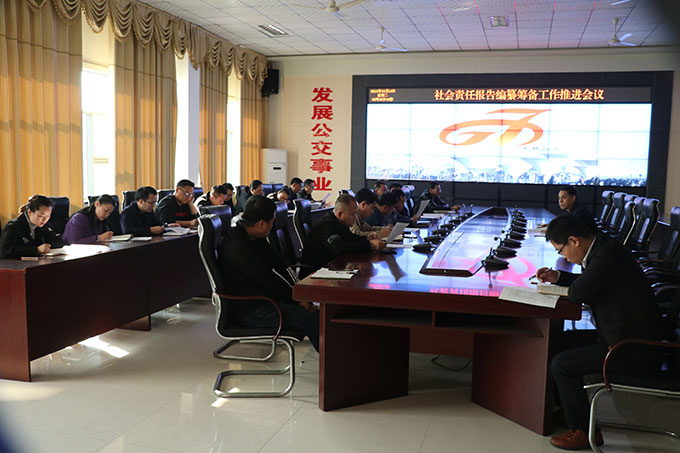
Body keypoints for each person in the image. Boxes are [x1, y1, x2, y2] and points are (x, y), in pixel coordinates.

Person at [535, 215, 663, 450]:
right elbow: (588, 281)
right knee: (558, 342)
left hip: (632, 349)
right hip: (621, 336)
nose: (563, 256)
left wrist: (566, 283)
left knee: (562, 364)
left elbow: (577, 293)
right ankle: (571, 411)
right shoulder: (603, 249)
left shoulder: (606, 256)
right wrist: (558, 277)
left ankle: (584, 432)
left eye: (560, 250)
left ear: (574, 241)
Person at [218, 195, 319, 351]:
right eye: (272, 223)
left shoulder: (255, 238)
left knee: (319, 314)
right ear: (261, 223)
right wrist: (296, 300)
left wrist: (300, 295)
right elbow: (268, 278)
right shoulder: (237, 247)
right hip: (252, 310)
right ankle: (332, 365)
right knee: (315, 321)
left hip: (268, 300)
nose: (272, 227)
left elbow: (281, 265)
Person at [302, 194, 385, 270]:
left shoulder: (341, 222)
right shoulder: (327, 224)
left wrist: (366, 238)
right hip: (316, 271)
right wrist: (369, 245)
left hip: (332, 266)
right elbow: (339, 247)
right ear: (340, 214)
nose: (355, 217)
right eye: (352, 214)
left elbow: (350, 237)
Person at [0, 195, 66, 258]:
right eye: (41, 216)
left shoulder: (41, 225)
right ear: (30, 212)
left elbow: (59, 241)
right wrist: (36, 250)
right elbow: (4, 251)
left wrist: (48, 245)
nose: (45, 219)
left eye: (48, 216)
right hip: (17, 264)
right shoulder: (13, 227)